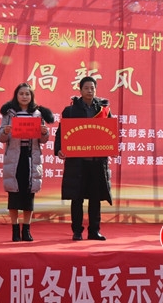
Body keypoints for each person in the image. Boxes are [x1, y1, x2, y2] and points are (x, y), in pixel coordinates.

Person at [54, 76, 112, 241]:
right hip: (77, 162)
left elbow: (110, 132)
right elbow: (61, 132)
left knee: (95, 198)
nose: (89, 91)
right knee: (77, 197)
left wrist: (112, 147)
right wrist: (58, 149)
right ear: (80, 90)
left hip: (97, 161)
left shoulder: (103, 110)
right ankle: (77, 231)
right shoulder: (71, 110)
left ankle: (94, 231)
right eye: (86, 88)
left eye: (92, 88)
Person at [0, 83, 54, 242]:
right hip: (14, 159)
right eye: (21, 93)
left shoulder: (38, 113)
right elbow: (0, 137)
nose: (24, 96)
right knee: (14, 195)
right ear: (16, 96)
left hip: (31, 158)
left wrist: (44, 133)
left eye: (27, 94)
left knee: (29, 195)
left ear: (31, 96)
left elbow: (43, 140)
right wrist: (5, 131)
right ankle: (15, 230)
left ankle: (26, 230)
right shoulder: (9, 113)